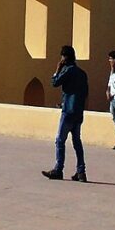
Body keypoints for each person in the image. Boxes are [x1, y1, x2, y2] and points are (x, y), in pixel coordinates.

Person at [42, 45, 88, 182]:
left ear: (64, 57)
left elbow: (54, 83)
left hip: (68, 111)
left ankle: (58, 169)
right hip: (78, 111)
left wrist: (57, 70)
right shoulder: (82, 73)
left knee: (60, 140)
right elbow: (85, 93)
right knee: (77, 142)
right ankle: (81, 172)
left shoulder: (67, 71)